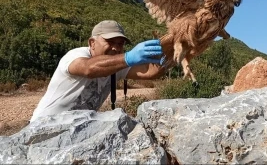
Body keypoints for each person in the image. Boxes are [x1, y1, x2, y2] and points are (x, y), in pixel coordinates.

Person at [30, 20, 165, 122]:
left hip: (76, 131)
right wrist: (128, 57)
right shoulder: (75, 55)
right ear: (92, 43)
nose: (116, 48)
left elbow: (150, 72)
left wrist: (173, 53)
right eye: (110, 42)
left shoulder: (116, 65)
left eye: (120, 43)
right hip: (43, 126)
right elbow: (88, 68)